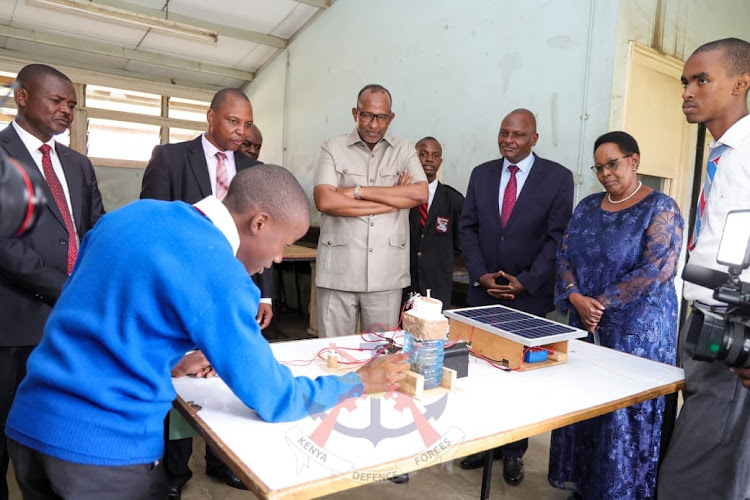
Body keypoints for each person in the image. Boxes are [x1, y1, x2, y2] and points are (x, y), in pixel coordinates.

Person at [5, 165, 409, 500]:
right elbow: (274, 397)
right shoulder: (224, 276)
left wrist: (170, 357)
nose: (278, 258)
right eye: (282, 243)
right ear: (259, 222)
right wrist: (357, 381)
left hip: (30, 425)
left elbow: (94, 306)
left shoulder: (134, 214)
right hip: (103, 453)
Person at [140, 88, 272, 495]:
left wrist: (264, 293)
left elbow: (262, 232)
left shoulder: (254, 168)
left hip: (235, 290)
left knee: (224, 374)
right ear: (211, 116)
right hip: (183, 292)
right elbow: (153, 227)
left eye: (247, 124)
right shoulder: (171, 157)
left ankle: (221, 460)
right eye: (233, 121)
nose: (240, 131)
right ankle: (175, 474)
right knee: (185, 377)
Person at [547, 131, 683, 498]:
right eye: (599, 167)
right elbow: (564, 257)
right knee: (587, 406)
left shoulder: (661, 207)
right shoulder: (588, 206)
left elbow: (658, 268)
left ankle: (622, 491)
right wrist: (576, 297)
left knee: (623, 417)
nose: (605, 173)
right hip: (586, 325)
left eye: (613, 164)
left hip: (637, 335)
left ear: (634, 160)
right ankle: (586, 487)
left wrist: (601, 303)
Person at [0, 63, 104, 499]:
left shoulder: (77, 164)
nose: (66, 111)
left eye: (73, 106)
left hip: (68, 323)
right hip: (13, 322)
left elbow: (94, 228)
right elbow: (4, 245)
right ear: (22, 97)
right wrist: (69, 290)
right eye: (57, 101)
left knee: (50, 428)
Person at [458, 108, 573, 485]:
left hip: (528, 296)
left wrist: (527, 281)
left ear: (534, 139)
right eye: (504, 132)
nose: (509, 140)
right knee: (481, 369)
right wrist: (479, 274)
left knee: (520, 376)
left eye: (518, 135)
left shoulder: (558, 178)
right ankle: (481, 444)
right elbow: (468, 228)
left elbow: (558, 238)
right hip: (483, 291)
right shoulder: (481, 174)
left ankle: (513, 452)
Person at [658, 38, 750, 500]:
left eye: (702, 80)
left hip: (737, 327)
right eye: (685, 82)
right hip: (703, 322)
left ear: (741, 83)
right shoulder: (722, 153)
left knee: (698, 474)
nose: (688, 92)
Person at [313, 84, 428, 337]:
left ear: (391, 117)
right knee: (332, 353)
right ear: (355, 113)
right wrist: (393, 199)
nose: (373, 125)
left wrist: (357, 191)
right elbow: (325, 201)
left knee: (380, 355)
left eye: (381, 117)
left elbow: (420, 194)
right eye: (366, 115)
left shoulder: (404, 149)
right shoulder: (332, 146)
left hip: (387, 276)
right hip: (337, 275)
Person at [406, 136, 464, 308]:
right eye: (423, 154)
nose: (429, 159)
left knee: (433, 332)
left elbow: (459, 244)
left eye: (435, 155)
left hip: (437, 284)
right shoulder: (400, 195)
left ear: (441, 160)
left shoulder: (454, 200)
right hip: (404, 282)